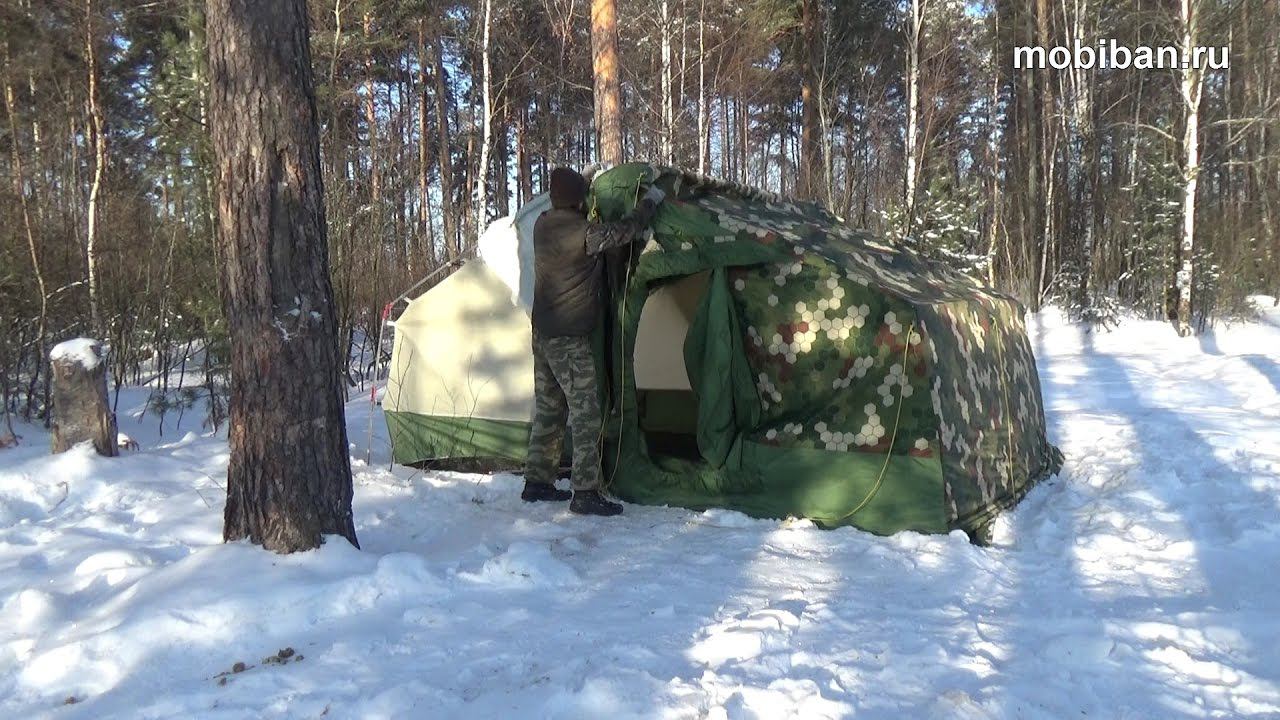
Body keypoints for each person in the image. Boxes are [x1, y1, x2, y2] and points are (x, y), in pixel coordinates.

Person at [522, 167, 664, 516]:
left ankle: (537, 482)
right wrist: (649, 203)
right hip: (569, 337)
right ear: (577, 200)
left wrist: (582, 180)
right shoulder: (583, 233)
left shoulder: (541, 225)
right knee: (586, 413)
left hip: (543, 334)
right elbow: (624, 231)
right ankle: (585, 491)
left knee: (550, 409)